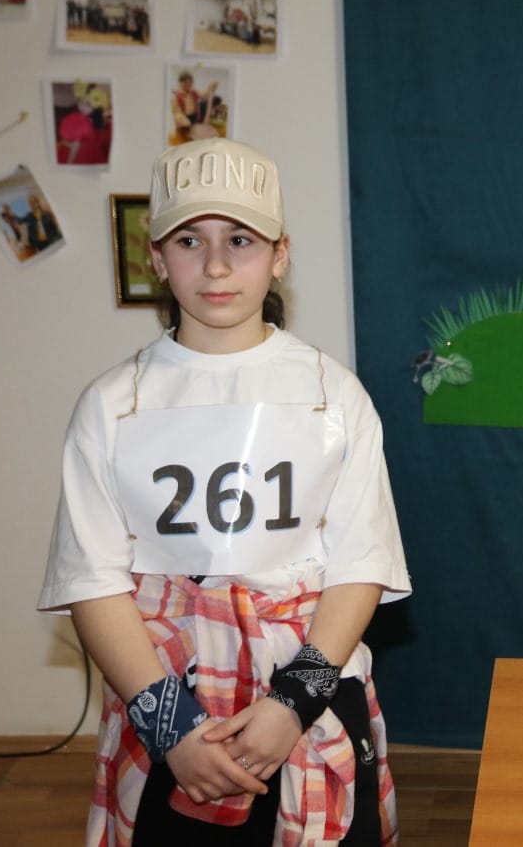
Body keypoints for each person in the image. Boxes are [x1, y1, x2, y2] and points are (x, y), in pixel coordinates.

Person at [37, 137, 411, 845]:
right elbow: (91, 579)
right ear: (156, 258)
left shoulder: (335, 395)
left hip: (309, 696)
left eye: (240, 239)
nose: (215, 265)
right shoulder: (112, 404)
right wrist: (173, 729)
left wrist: (290, 705)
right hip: (167, 711)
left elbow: (361, 564)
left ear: (280, 254)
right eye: (189, 241)